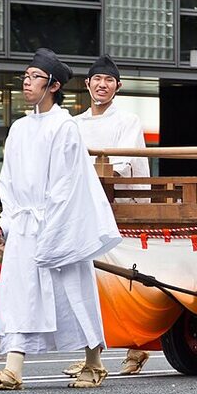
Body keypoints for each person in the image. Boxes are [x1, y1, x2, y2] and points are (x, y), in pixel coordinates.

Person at [0, 48, 122, 391]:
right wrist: (7, 221)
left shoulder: (64, 127)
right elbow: (7, 180)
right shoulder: (19, 128)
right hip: (27, 226)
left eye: (34, 77)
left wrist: (53, 229)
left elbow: (66, 184)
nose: (27, 83)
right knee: (19, 292)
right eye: (25, 77)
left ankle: (93, 362)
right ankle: (13, 368)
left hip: (59, 225)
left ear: (53, 85)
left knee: (73, 292)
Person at [72, 53, 152, 376]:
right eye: (97, 79)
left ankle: (137, 345)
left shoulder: (127, 121)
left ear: (117, 86)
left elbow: (121, 166)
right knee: (87, 281)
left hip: (120, 209)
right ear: (87, 84)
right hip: (83, 211)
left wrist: (89, 177)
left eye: (108, 80)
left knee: (125, 281)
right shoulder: (74, 124)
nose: (102, 85)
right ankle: (92, 351)